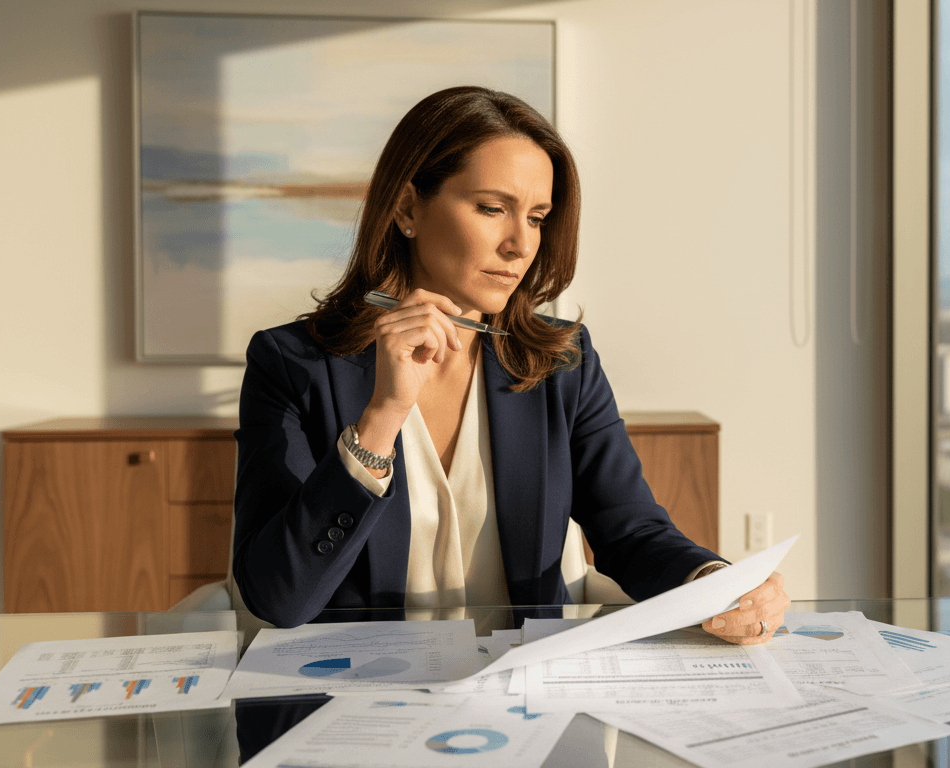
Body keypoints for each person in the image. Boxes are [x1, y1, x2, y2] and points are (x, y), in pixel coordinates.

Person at [232, 86, 790, 642]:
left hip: (524, 699)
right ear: (407, 208)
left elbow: (632, 531)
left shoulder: (561, 362)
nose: (521, 244)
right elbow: (280, 598)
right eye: (492, 209)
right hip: (357, 702)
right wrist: (382, 415)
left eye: (539, 217)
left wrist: (720, 583)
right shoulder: (292, 364)